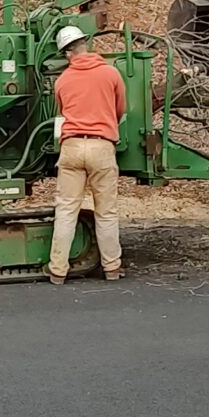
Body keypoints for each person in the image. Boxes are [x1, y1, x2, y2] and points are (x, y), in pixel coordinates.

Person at [45, 22, 124, 283]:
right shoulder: (110, 74)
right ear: (84, 45)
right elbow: (119, 109)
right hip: (102, 147)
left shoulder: (63, 80)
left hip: (72, 148)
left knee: (66, 209)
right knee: (106, 211)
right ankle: (112, 268)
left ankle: (57, 270)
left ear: (67, 53)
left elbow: (62, 111)